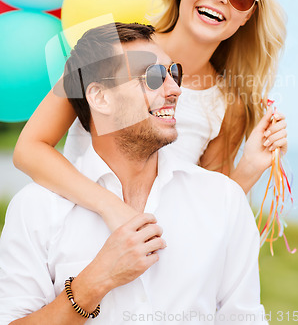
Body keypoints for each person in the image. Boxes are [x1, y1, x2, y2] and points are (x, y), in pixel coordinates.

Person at [13, 0, 288, 231]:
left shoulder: (228, 103)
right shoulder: (114, 46)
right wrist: (110, 207)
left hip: (154, 259)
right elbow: (29, 149)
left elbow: (210, 214)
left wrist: (248, 170)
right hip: (71, 238)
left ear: (249, 15)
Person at [0, 23, 268, 324]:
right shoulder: (34, 210)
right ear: (100, 98)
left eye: (173, 73)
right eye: (153, 77)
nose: (175, 89)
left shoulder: (224, 200)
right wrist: (94, 282)